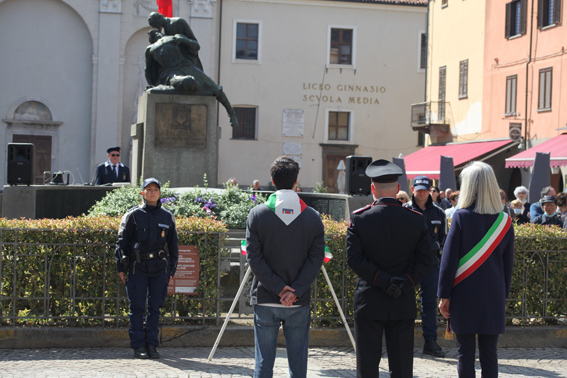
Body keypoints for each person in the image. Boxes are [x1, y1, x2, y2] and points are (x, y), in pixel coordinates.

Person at [347, 159, 433, 378]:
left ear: (372, 189)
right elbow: (425, 261)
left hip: (369, 300)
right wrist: (404, 282)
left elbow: (354, 260)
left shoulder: (360, 218)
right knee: (402, 367)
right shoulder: (415, 220)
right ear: (397, 189)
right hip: (402, 299)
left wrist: (383, 280)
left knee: (367, 366)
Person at [246, 156, 325, 378]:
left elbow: (254, 258)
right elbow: (316, 258)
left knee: (263, 362)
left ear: (272, 180)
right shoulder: (312, 217)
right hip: (299, 299)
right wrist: (295, 290)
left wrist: (279, 288)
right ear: (296, 180)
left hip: (265, 296)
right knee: (298, 364)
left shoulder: (258, 214)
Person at [438, 161, 515, 378]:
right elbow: (507, 266)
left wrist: (444, 295)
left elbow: (449, 259)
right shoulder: (505, 221)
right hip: (493, 297)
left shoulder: (461, 216)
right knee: (490, 354)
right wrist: (503, 296)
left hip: (463, 294)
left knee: (465, 354)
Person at [115, 178, 179, 359]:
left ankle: (152, 344)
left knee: (155, 308)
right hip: (138, 267)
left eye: (155, 189)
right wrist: (120, 267)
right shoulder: (132, 215)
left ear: (159, 193)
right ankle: (138, 345)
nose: (152, 192)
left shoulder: (167, 216)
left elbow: (173, 246)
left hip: (159, 268)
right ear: (142, 193)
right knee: (136, 307)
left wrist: (171, 271)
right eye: (148, 189)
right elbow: (121, 243)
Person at [145, 30, 238, 127]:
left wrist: (184, 40)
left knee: (214, 87)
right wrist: (152, 84)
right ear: (151, 39)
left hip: (187, 66)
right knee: (187, 81)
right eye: (152, 34)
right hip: (172, 72)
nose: (155, 33)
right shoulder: (150, 49)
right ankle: (194, 86)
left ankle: (231, 114)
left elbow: (196, 46)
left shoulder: (174, 37)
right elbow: (148, 70)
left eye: (156, 32)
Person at [404, 175, 447, 358]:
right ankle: (404, 342)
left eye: (425, 189)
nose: (421, 193)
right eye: (418, 189)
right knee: (405, 304)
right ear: (412, 189)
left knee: (429, 304)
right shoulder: (404, 210)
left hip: (431, 264)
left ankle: (430, 342)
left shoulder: (439, 213)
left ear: (430, 190)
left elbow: (444, 240)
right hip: (410, 264)